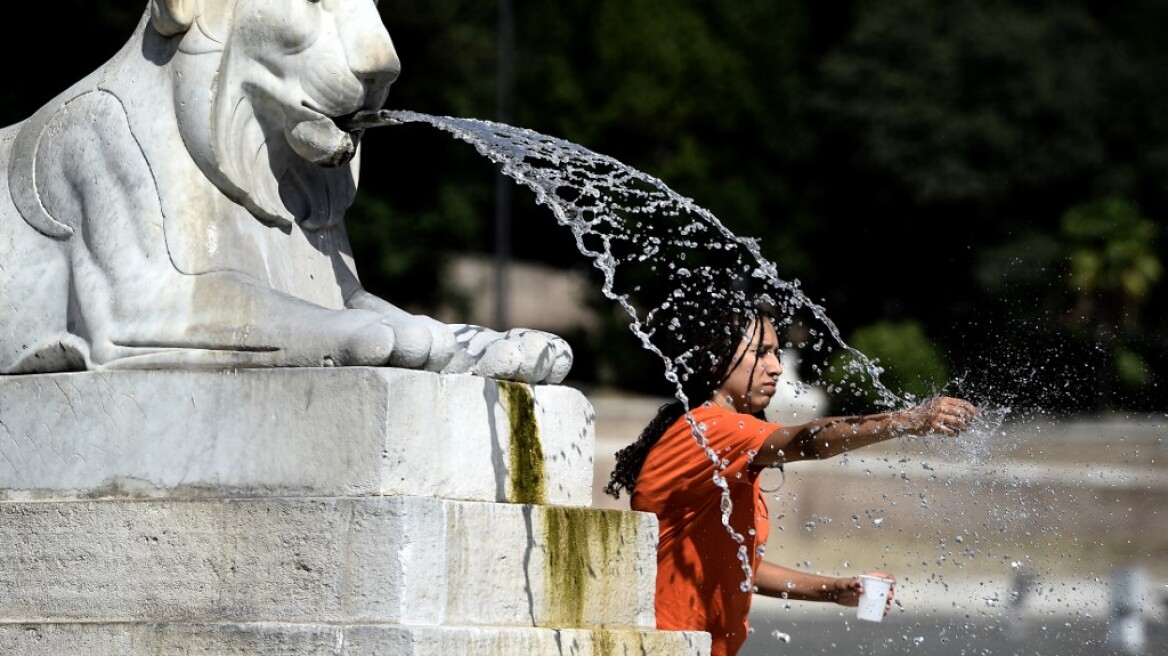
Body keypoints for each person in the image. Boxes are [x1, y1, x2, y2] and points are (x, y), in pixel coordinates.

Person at [604, 298, 980, 656]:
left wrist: (831, 590)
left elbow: (739, 568)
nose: (777, 367)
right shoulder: (710, 429)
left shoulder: (722, 443)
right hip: (664, 645)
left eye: (776, 353)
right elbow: (809, 441)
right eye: (761, 352)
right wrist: (905, 420)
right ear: (716, 359)